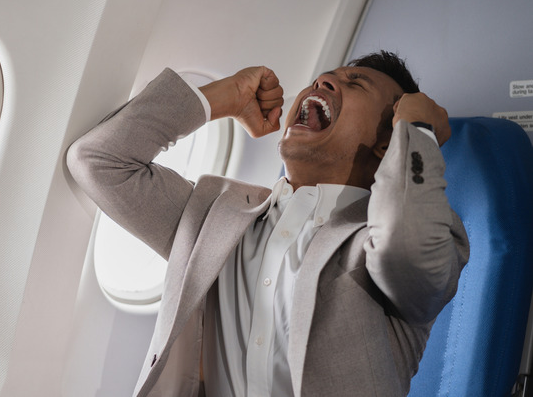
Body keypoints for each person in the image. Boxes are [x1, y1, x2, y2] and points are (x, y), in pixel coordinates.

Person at [66, 51, 469, 397]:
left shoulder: (384, 239)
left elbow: (411, 249)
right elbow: (99, 161)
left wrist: (417, 132)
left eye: (355, 83)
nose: (325, 80)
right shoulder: (215, 215)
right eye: (323, 77)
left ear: (387, 143)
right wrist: (219, 101)